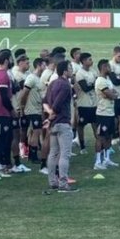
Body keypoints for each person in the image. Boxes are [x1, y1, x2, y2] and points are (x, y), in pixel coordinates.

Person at [44, 61, 78, 193]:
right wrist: (52, 115)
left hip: (53, 124)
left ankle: (52, 181)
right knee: (65, 155)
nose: (71, 71)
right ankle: (63, 183)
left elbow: (45, 102)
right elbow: (57, 104)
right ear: (64, 71)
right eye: (70, 68)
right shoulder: (65, 85)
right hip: (62, 122)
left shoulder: (52, 83)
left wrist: (49, 116)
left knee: (53, 153)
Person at [0, 50, 16, 178]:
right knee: (2, 141)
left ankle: (1, 167)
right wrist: (12, 110)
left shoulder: (0, 74)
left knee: (5, 140)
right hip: (2, 112)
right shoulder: (2, 75)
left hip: (1, 112)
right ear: (7, 60)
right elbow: (4, 97)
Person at [94, 59, 118, 170]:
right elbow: (112, 95)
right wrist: (111, 93)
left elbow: (115, 93)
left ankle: (107, 159)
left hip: (110, 113)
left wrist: (112, 93)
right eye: (108, 66)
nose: (110, 68)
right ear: (103, 67)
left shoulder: (108, 80)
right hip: (102, 114)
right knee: (100, 138)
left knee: (109, 136)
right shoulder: (100, 81)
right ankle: (98, 162)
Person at [21, 58, 46, 163]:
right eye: (44, 65)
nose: (45, 67)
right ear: (39, 65)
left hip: (37, 109)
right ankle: (33, 156)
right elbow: (25, 93)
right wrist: (22, 106)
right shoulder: (31, 78)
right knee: (36, 132)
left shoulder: (38, 78)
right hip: (32, 110)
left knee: (34, 132)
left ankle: (32, 154)